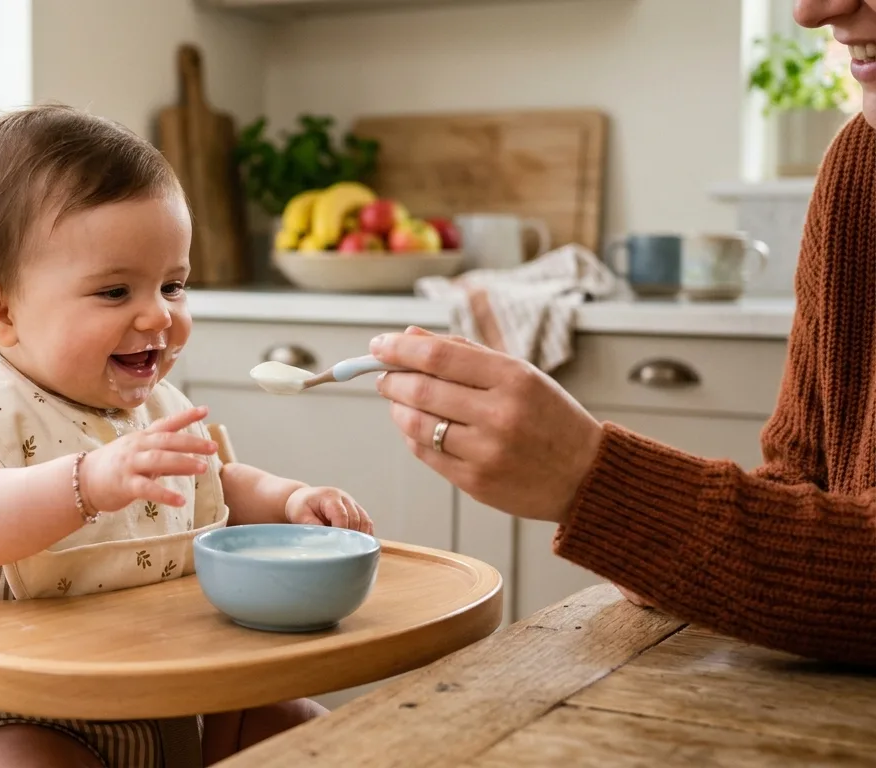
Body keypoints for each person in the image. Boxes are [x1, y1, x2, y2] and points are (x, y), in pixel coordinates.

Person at [370, 0, 876, 668]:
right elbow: (800, 486)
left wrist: (595, 483)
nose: (814, 10)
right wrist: (659, 541)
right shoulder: (859, 168)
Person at [0, 104, 374, 768]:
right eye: (115, 291)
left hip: (180, 703)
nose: (159, 314)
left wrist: (289, 502)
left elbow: (217, 481)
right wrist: (89, 482)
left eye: (174, 285)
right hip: (8, 714)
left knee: (316, 737)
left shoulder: (154, 404)